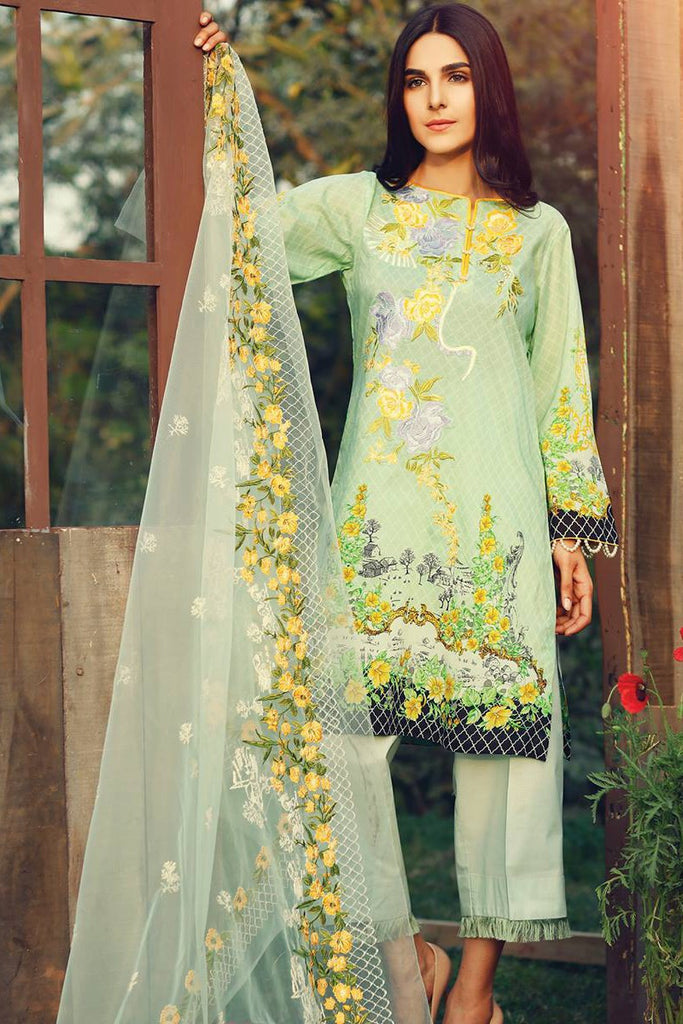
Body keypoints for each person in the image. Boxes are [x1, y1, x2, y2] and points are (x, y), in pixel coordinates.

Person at [192, 6, 618, 1024]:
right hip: (375, 534)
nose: (433, 98)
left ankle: (473, 988)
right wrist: (212, 88)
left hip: (497, 536)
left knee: (506, 761)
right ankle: (401, 960)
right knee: (336, 757)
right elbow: (236, 225)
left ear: (487, 89)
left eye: (455, 76)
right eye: (416, 80)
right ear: (399, 98)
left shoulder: (535, 233)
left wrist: (570, 533)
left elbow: (560, 387)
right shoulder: (358, 209)